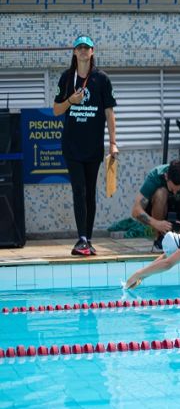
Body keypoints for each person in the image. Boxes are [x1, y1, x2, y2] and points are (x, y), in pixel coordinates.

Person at [52, 35, 117, 256]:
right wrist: (71, 100)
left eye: (86, 48)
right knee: (78, 190)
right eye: (79, 47)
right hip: (72, 147)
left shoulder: (102, 79)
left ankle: (87, 239)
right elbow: (56, 110)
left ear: (92, 52)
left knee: (90, 193)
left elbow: (109, 113)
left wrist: (113, 144)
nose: (82, 51)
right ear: (74, 52)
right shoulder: (66, 78)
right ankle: (81, 239)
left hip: (93, 147)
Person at [132, 159, 180, 251]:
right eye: (172, 189)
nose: (175, 193)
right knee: (161, 193)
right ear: (166, 176)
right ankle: (159, 239)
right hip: (159, 212)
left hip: (177, 208)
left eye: (178, 190)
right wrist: (156, 224)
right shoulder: (155, 175)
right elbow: (135, 210)